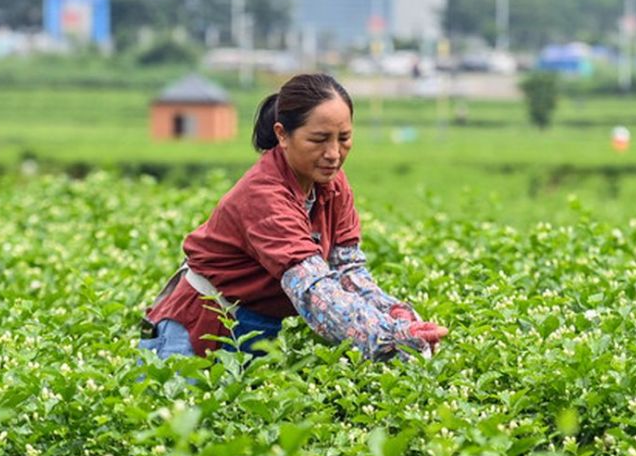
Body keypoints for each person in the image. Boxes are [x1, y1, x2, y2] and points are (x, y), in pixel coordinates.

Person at [140, 73, 448, 362]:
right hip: (198, 329)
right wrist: (388, 336)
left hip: (256, 325)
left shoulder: (333, 185)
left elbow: (348, 269)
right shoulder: (264, 196)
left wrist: (395, 314)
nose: (333, 153)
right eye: (319, 139)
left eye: (344, 138)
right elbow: (314, 290)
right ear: (282, 135)